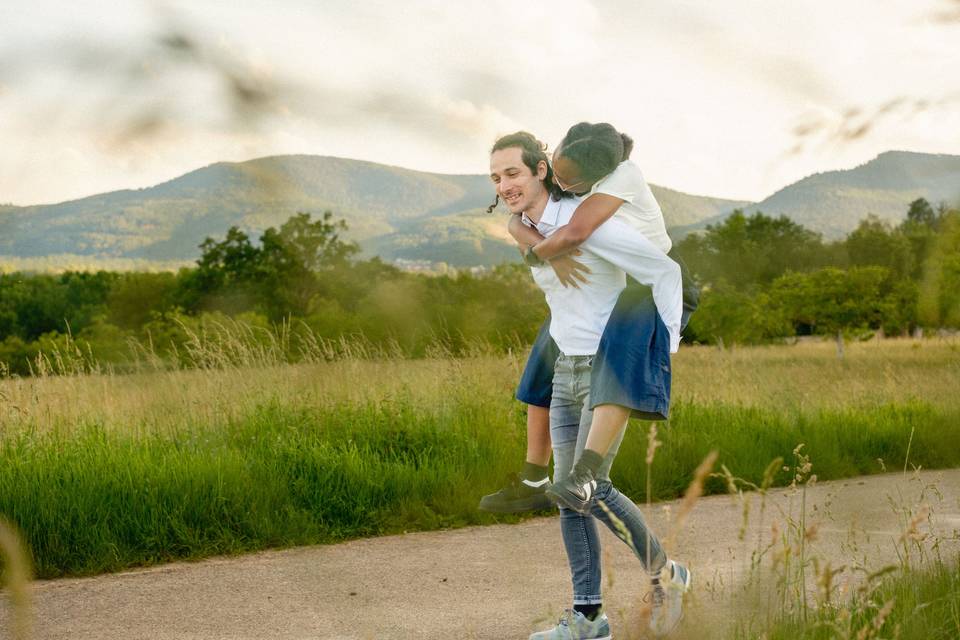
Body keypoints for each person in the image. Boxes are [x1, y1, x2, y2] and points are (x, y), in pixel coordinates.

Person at [488, 132, 691, 639]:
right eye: (495, 178)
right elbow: (529, 237)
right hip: (566, 371)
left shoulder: (591, 226)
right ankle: (587, 618)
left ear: (541, 171)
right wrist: (530, 239)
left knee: (591, 488)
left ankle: (668, 575)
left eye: (512, 173)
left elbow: (664, 269)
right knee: (568, 496)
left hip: (606, 367)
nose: (504, 185)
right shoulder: (530, 224)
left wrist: (665, 345)